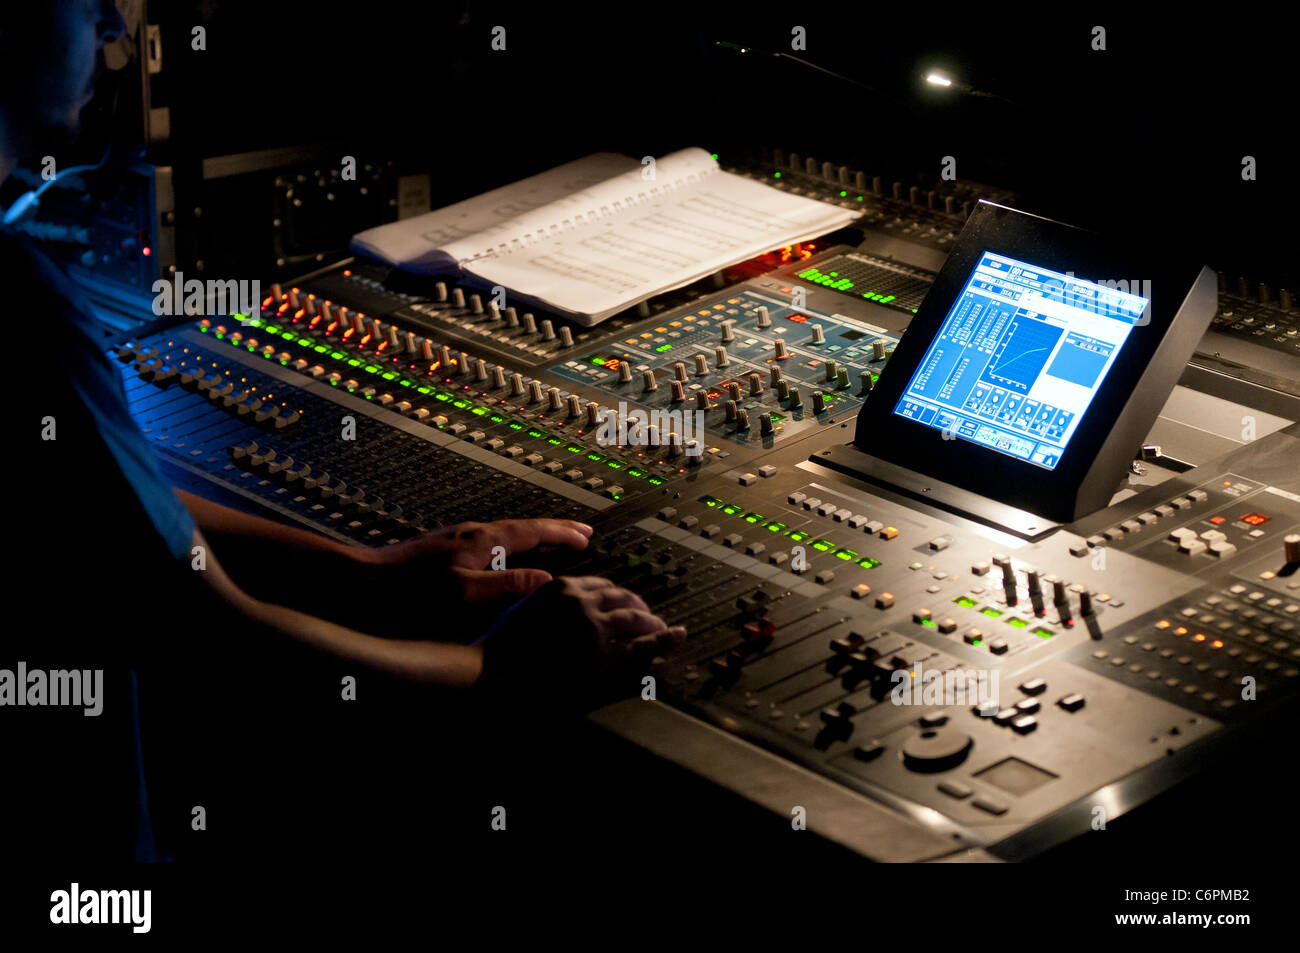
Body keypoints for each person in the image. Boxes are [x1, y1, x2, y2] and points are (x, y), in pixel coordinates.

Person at [2, 0, 683, 862]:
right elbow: (210, 634)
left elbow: (113, 509)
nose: (115, 38)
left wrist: (367, 568)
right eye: (95, 6)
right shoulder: (24, 301)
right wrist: (501, 676)